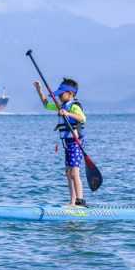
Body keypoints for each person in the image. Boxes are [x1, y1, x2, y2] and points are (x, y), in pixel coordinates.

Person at [34, 78, 87, 206]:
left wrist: (68, 113)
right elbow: (46, 104)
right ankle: (72, 202)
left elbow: (82, 118)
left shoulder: (74, 106)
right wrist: (39, 90)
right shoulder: (61, 106)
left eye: (61, 94)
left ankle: (81, 201)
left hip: (76, 143)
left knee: (75, 172)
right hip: (67, 144)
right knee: (68, 173)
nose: (59, 96)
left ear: (71, 94)